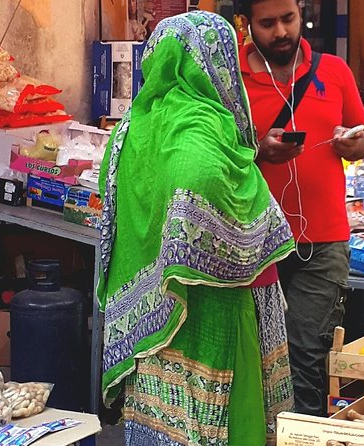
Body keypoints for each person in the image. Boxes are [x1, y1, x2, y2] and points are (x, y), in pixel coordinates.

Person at [98, 11, 295, 445]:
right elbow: (199, 176)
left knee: (163, 417)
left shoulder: (131, 127)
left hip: (150, 310)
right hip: (213, 304)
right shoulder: (202, 123)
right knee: (221, 419)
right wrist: (205, 239)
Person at [239, 0, 364, 416]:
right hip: (253, 242)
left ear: (300, 15)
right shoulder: (231, 79)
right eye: (267, 23)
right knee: (255, 358)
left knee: (305, 354)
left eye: (288, 19)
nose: (280, 31)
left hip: (323, 241)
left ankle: (303, 436)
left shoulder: (334, 70)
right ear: (246, 24)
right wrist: (260, 151)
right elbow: (215, 153)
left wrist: (356, 144)